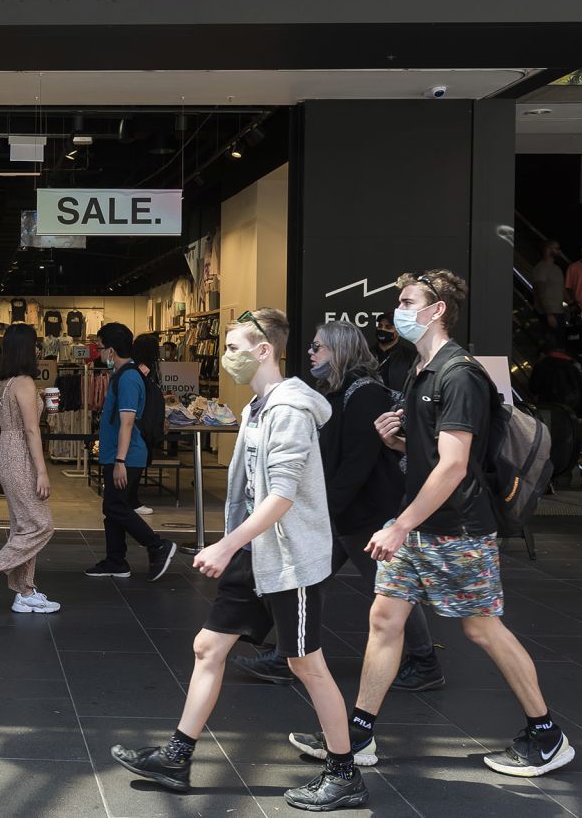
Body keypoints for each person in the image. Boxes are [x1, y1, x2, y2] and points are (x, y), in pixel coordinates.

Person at [290, 270, 576, 778]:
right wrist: (398, 443)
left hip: (457, 529)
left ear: (437, 309)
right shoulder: (420, 369)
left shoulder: (458, 374)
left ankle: (547, 735)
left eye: (406, 302)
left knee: (482, 628)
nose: (396, 312)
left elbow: (453, 466)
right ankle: (358, 735)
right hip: (421, 525)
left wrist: (399, 524)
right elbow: (433, 455)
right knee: (384, 620)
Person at [112, 308, 367, 811]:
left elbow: (283, 496)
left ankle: (344, 773)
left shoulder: (289, 409)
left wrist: (226, 544)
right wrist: (237, 545)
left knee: (305, 663)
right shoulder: (256, 407)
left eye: (233, 347)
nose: (226, 356)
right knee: (208, 647)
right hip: (257, 552)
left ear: (263, 350)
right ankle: (177, 757)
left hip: (289, 557)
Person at [233, 321, 443, 692]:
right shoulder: (334, 390)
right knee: (305, 578)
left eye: (319, 347)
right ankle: (288, 654)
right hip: (346, 511)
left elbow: (356, 462)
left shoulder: (363, 393)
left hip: (365, 514)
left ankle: (425, 660)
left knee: (389, 588)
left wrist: (323, 509)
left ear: (340, 349)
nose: (311, 353)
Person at [0, 324, 61, 614]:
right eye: (34, 344)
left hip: (5, 452)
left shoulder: (4, 382)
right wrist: (43, 471)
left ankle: (25, 591)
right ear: (27, 348)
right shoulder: (24, 383)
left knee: (23, 525)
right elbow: (32, 432)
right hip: (20, 455)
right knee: (40, 525)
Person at [84, 323, 176, 582]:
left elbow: (127, 421)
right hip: (118, 454)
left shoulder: (128, 378)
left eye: (100, 347)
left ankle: (157, 545)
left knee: (115, 507)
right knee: (114, 506)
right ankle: (116, 559)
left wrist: (120, 460)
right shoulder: (125, 375)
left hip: (125, 455)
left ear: (111, 350)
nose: (98, 353)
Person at [130, 333, 161, 516]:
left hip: (143, 418)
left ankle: (131, 498)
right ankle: (131, 499)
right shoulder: (142, 368)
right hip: (143, 419)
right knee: (138, 456)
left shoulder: (137, 367)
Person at [530, 331, 582, 421]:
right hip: (569, 410)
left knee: (548, 433)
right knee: (566, 434)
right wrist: (581, 414)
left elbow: (533, 389)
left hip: (546, 408)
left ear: (542, 354)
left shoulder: (540, 366)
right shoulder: (572, 367)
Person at [371, 313, 417, 393]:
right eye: (380, 326)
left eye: (388, 327)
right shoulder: (365, 354)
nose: (382, 329)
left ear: (399, 331)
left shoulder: (410, 357)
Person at [530, 240, 568, 328]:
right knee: (552, 340)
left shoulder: (557, 269)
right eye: (557, 248)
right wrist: (549, 314)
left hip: (559, 312)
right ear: (548, 250)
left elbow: (561, 289)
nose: (560, 251)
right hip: (546, 314)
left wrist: (571, 303)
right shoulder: (541, 268)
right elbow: (539, 292)